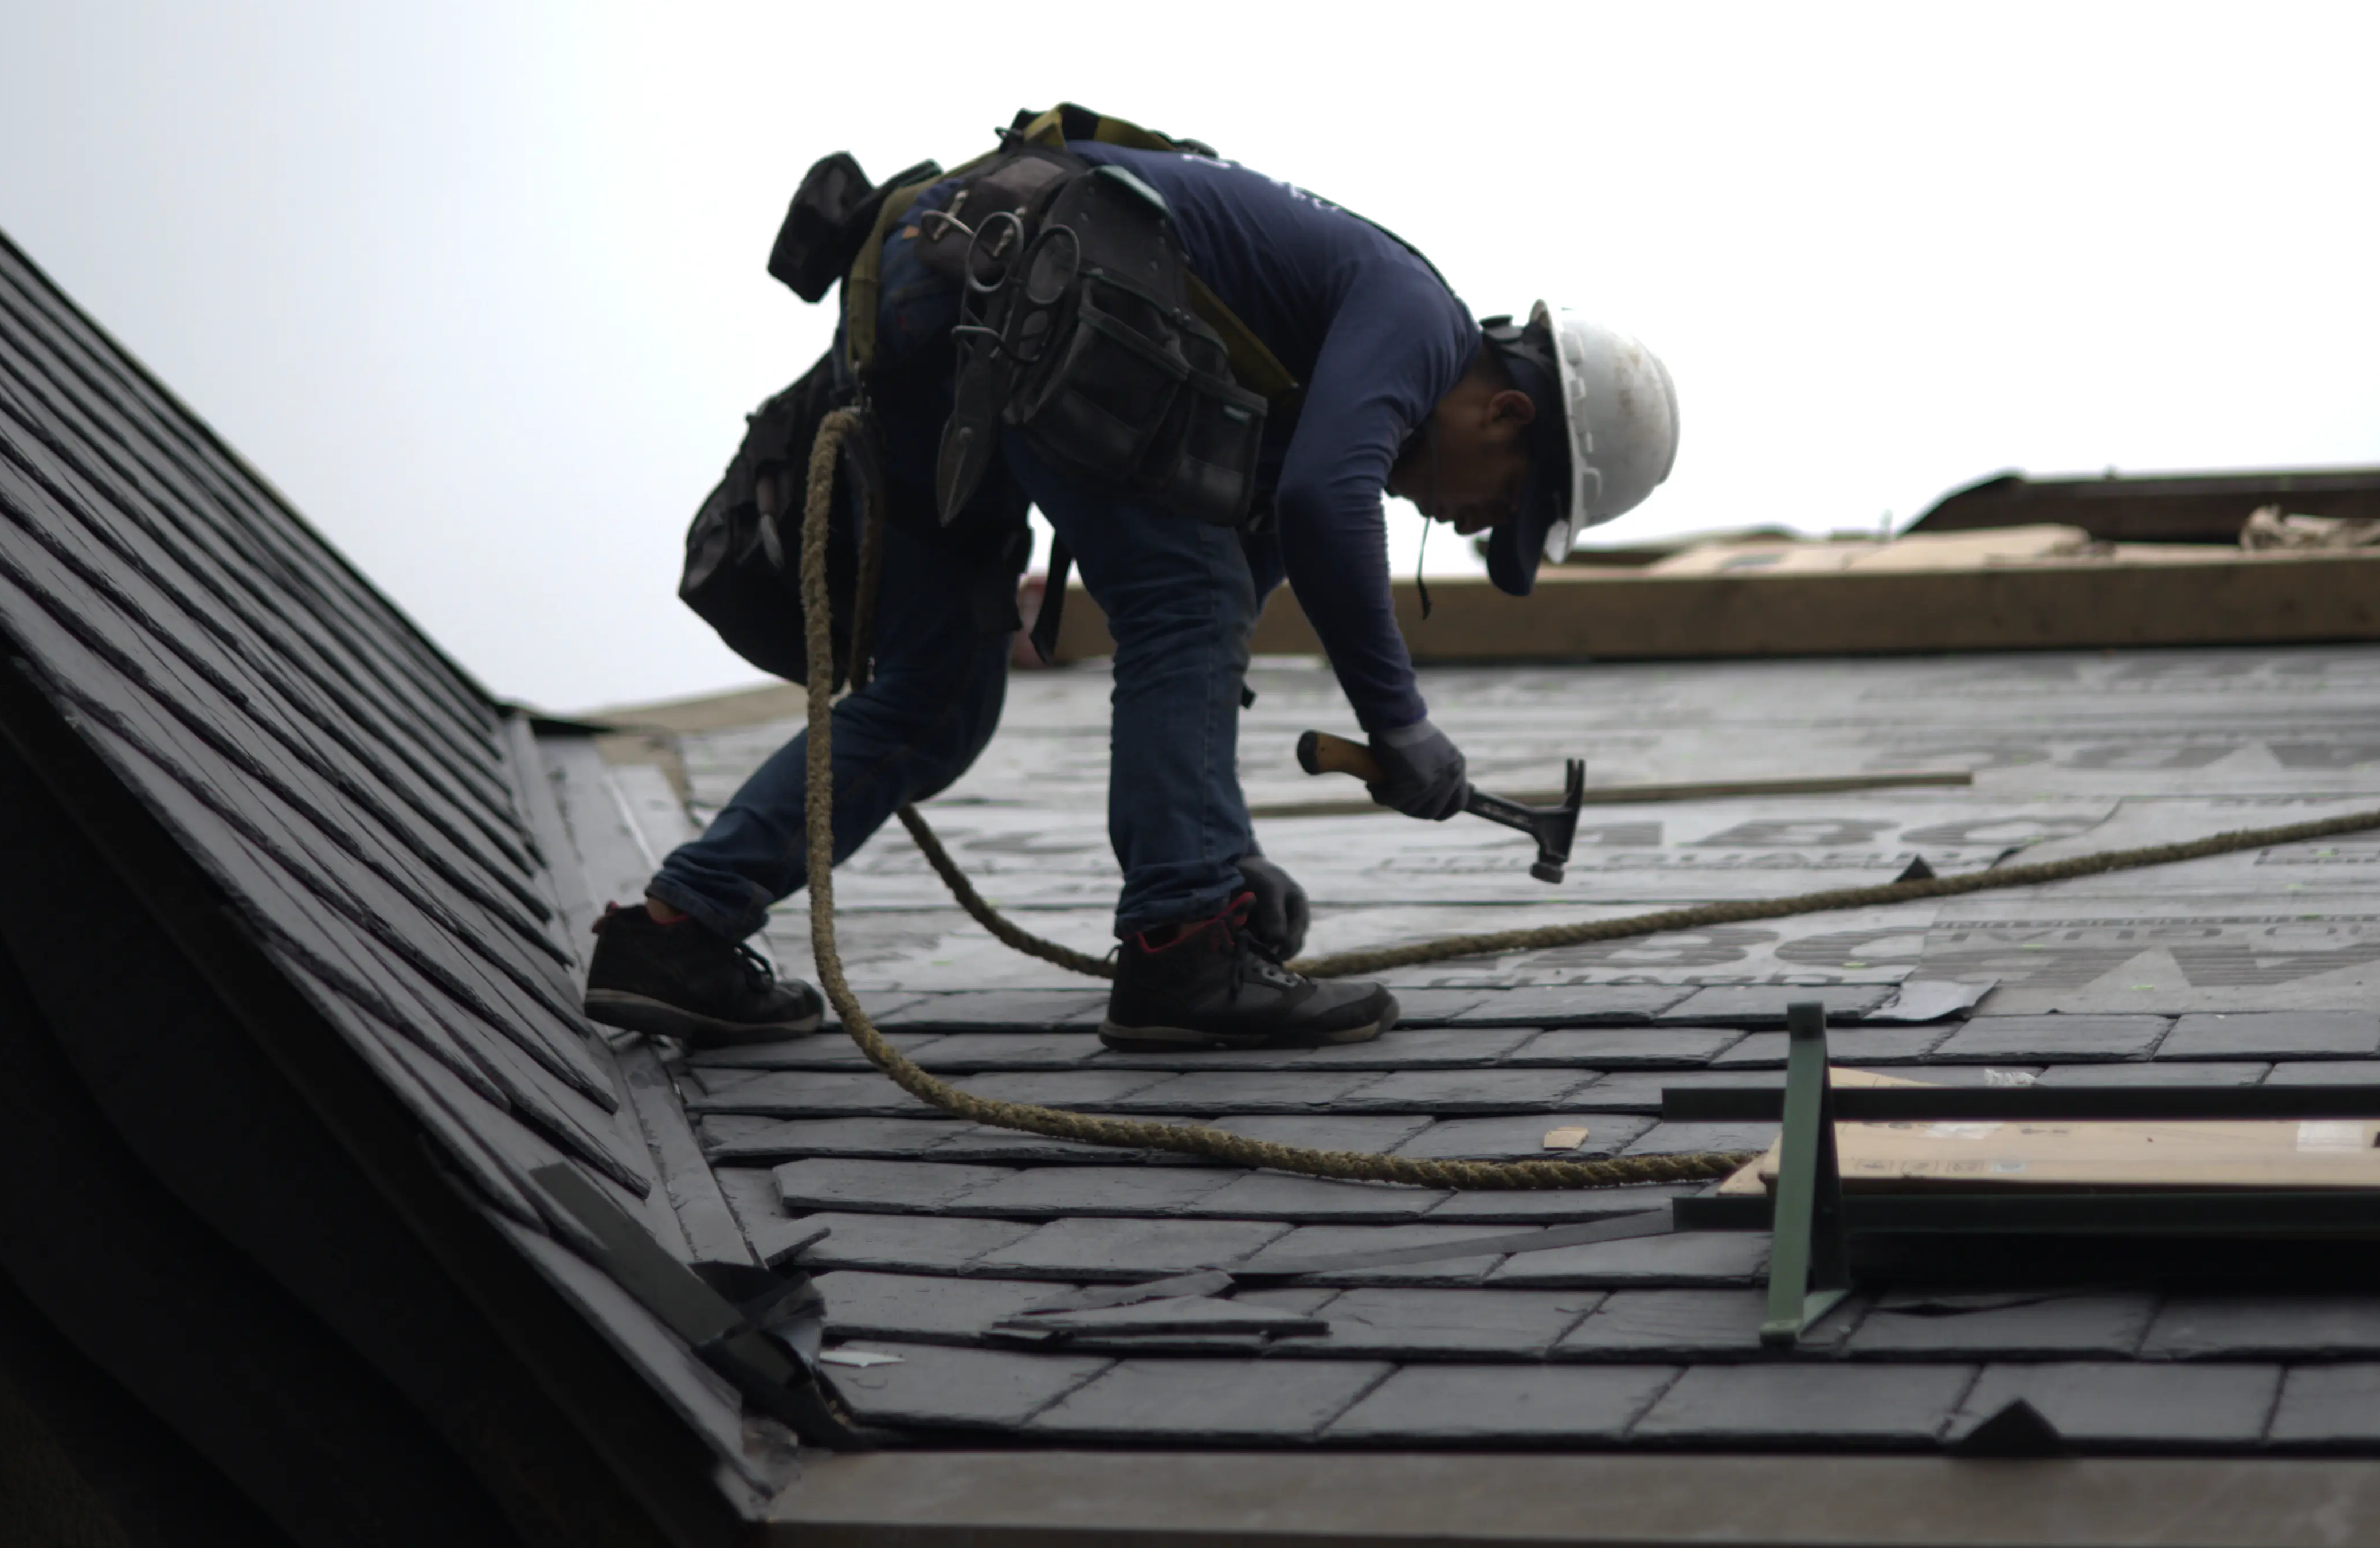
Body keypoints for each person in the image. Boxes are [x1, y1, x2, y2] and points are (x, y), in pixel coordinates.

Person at [584, 123, 1677, 1049]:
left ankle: (678, 930)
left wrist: (1225, 847)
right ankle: (1181, 951)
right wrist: (1399, 722)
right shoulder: (1416, 320)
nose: (1468, 525)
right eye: (1502, 504)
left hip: (940, 297)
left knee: (934, 700)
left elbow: (1222, 628)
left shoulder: (1317, 390)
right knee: (1181, 605)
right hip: (1027, 282)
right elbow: (1307, 518)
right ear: (1507, 414)